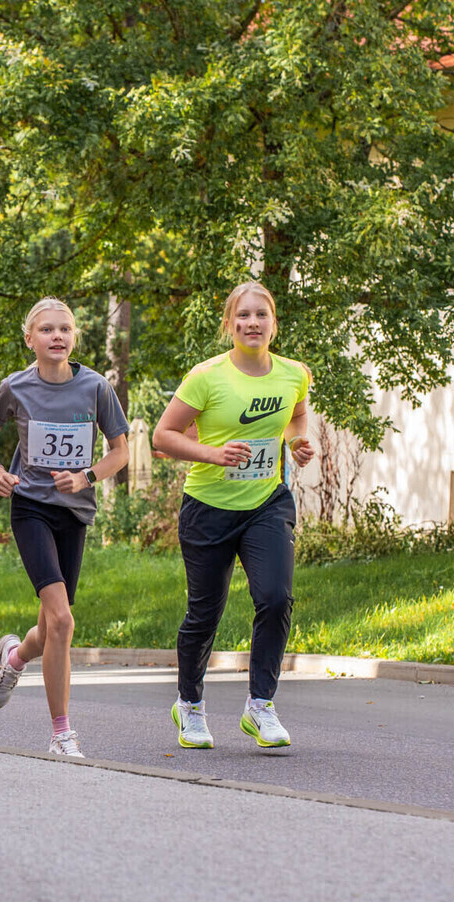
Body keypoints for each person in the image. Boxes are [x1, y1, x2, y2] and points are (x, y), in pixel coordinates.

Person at [151, 280, 316, 750]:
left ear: (274, 323)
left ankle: (260, 705)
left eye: (261, 314)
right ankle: (190, 705)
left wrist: (297, 442)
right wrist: (212, 453)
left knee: (276, 598)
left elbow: (297, 416)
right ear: (229, 324)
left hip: (266, 502)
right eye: (243, 315)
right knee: (205, 613)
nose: (252, 323)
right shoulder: (206, 376)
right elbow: (163, 436)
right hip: (208, 508)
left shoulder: (294, 374)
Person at [0, 298, 129, 759]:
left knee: (50, 628)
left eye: (64, 328)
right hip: (31, 509)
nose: (56, 336)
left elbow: (120, 452)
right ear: (30, 339)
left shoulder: (96, 387)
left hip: (73, 513)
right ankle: (62, 733)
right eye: (46, 329)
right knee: (62, 619)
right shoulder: (16, 387)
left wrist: (87, 477)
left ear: (74, 336)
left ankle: (14, 657)